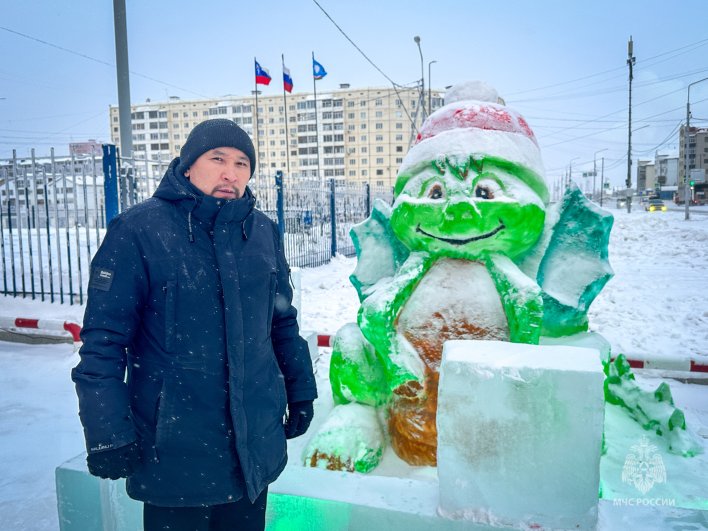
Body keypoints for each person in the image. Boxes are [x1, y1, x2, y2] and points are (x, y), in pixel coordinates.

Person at [72, 118, 317, 531]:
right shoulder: (138, 231)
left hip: (252, 444)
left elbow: (281, 323)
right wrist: (108, 430)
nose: (230, 173)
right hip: (174, 446)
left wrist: (301, 390)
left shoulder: (261, 232)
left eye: (242, 163)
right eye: (217, 158)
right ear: (187, 166)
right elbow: (104, 343)